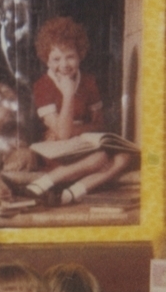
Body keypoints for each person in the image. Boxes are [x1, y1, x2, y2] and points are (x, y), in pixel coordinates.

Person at [27, 16, 132, 205]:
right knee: (100, 158)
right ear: (47, 60)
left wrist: (77, 131)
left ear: (79, 55)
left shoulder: (89, 82)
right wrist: (68, 95)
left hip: (84, 145)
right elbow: (64, 135)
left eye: (70, 57)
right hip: (58, 151)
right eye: (56, 59)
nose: (64, 64)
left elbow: (99, 123)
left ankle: (73, 193)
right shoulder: (42, 86)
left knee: (124, 158)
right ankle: (45, 181)